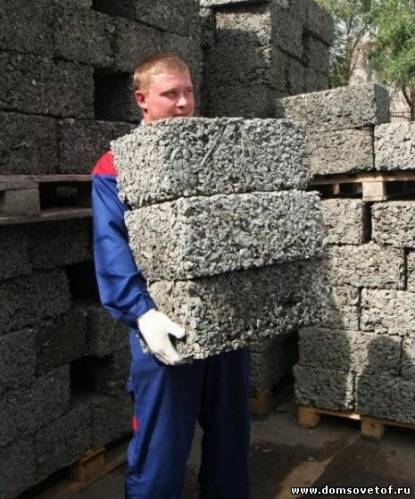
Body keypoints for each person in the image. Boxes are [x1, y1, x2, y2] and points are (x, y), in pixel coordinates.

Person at [91, 53, 250, 499]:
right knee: (160, 448)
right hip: (165, 326)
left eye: (188, 92)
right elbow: (110, 246)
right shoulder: (115, 167)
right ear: (142, 99)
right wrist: (142, 314)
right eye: (170, 94)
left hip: (226, 320)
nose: (183, 103)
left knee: (231, 438)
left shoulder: (213, 154)